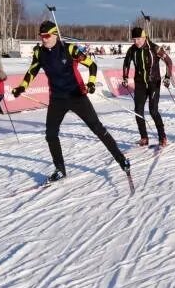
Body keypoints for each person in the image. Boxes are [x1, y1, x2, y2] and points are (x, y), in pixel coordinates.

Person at [11, 20, 129, 182]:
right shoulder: (39, 53)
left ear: (54, 35)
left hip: (76, 96)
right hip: (57, 99)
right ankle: (59, 169)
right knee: (51, 135)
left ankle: (121, 158)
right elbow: (31, 72)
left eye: (46, 36)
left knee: (97, 128)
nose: (43, 39)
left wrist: (91, 83)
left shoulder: (69, 49)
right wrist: (22, 87)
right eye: (41, 36)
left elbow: (92, 65)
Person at [122, 26, 173, 147]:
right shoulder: (132, 50)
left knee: (153, 111)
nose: (136, 42)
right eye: (133, 39)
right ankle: (144, 137)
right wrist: (125, 77)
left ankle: (162, 137)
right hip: (139, 84)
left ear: (144, 37)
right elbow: (126, 63)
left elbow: (169, 62)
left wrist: (167, 77)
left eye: (138, 39)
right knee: (138, 111)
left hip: (154, 83)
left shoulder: (155, 48)